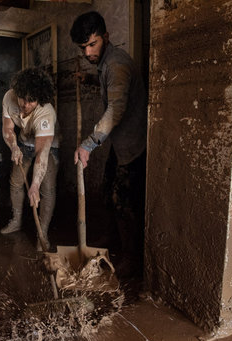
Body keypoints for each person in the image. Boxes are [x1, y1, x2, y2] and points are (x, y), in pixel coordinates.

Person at [70, 11, 147, 277]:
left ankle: (131, 257)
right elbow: (110, 85)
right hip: (119, 143)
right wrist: (89, 79)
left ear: (106, 37)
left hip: (133, 145)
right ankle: (112, 241)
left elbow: (115, 108)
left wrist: (88, 145)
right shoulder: (105, 66)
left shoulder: (116, 64)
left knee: (123, 201)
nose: (88, 52)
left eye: (92, 44)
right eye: (83, 48)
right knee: (107, 192)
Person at [0, 68, 60, 251]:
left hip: (49, 146)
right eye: (22, 99)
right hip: (24, 142)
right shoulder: (9, 97)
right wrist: (14, 147)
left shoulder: (46, 112)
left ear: (39, 100)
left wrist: (34, 184)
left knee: (46, 189)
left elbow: (42, 152)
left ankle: (42, 233)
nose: (25, 105)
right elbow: (8, 129)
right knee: (16, 182)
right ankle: (17, 220)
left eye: (31, 101)